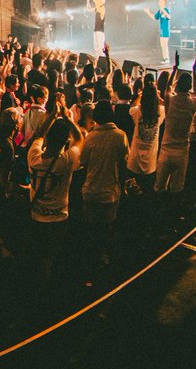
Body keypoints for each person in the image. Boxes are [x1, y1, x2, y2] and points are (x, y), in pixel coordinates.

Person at [26, 115, 84, 287]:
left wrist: (52, 115)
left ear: (48, 139)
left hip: (36, 215)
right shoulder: (66, 161)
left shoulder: (33, 157)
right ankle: (48, 286)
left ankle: (35, 284)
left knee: (37, 254)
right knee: (52, 255)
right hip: (58, 218)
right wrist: (67, 117)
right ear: (65, 142)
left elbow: (38, 134)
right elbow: (80, 139)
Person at [80, 101, 128, 266]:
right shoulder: (120, 136)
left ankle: (88, 257)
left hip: (90, 189)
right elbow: (123, 161)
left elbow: (83, 161)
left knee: (90, 226)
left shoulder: (90, 137)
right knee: (106, 226)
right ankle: (103, 255)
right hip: (110, 190)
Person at [155, 54, 196, 196]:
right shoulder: (193, 103)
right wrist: (194, 71)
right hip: (182, 151)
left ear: (178, 85)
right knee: (177, 188)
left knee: (159, 186)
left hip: (166, 149)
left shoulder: (171, 101)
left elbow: (167, 89)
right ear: (189, 87)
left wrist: (175, 69)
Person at [150, 0, 172, 66]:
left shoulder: (166, 9)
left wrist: (163, 10)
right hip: (161, 31)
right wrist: (148, 12)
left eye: (161, 1)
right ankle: (164, 58)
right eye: (159, 1)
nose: (159, 2)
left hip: (165, 31)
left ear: (164, 2)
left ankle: (167, 58)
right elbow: (154, 17)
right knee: (162, 46)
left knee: (165, 45)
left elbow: (169, 17)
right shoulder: (159, 11)